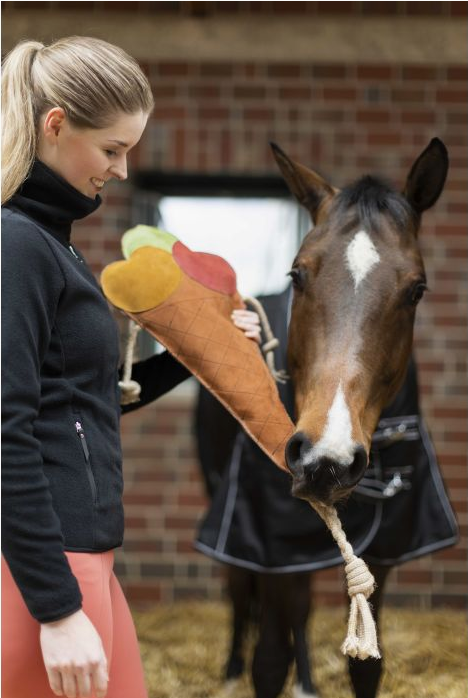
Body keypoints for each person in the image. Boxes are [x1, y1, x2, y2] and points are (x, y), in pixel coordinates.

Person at [1, 36, 260, 698]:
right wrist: (56, 610)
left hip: (83, 557)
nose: (121, 171)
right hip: (46, 570)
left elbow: (81, 403)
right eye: (112, 149)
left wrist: (201, 351)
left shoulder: (52, 244)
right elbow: (6, 432)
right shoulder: (17, 246)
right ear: (55, 125)